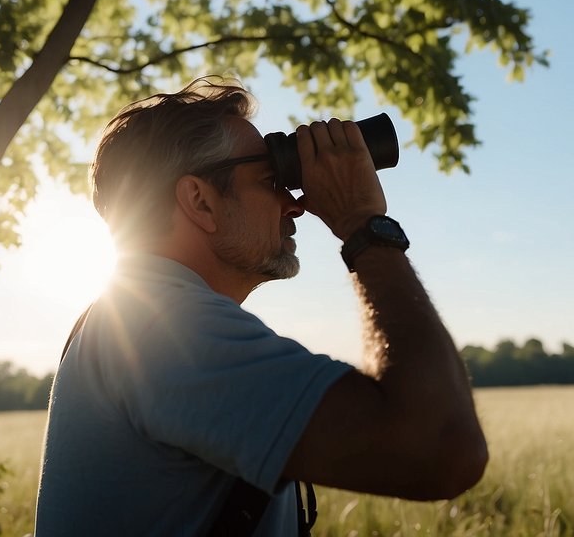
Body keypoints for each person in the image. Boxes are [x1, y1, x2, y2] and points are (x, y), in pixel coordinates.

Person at [34, 78, 487, 536]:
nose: (294, 206)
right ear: (200, 201)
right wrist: (362, 224)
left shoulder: (131, 319)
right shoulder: (165, 328)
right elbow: (442, 448)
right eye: (273, 179)